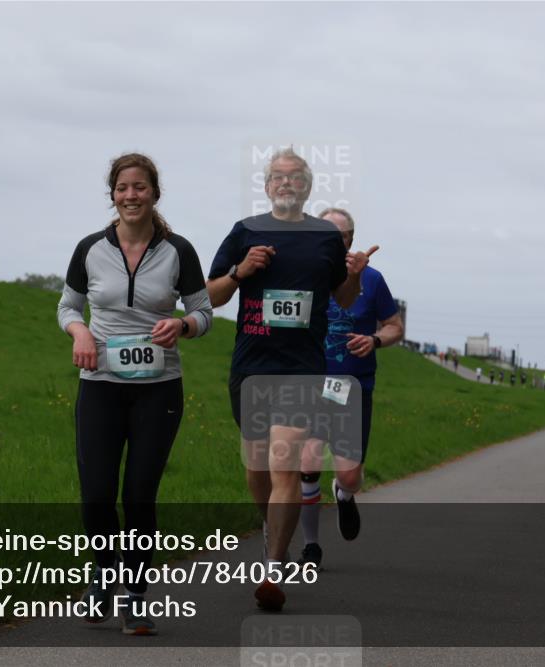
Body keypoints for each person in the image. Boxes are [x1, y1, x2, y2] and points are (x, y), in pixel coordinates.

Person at [206, 148, 374, 612]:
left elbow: (341, 296)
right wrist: (242, 271)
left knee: (284, 463)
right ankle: (271, 527)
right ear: (266, 187)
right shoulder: (246, 231)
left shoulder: (325, 238)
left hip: (302, 368)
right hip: (252, 365)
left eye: (294, 178)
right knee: (257, 468)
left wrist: (355, 277)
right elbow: (211, 295)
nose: (286, 184)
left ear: (307, 187)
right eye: (278, 178)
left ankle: (273, 570)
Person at [57, 153, 213, 635]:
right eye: (123, 187)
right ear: (113, 194)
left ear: (154, 193)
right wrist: (80, 333)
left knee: (140, 495)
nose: (131, 195)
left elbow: (204, 312)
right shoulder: (89, 248)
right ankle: (104, 576)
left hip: (158, 389)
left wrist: (183, 324)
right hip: (100, 386)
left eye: (140, 187)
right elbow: (68, 306)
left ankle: (136, 597)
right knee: (98, 495)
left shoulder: (178, 250)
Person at [295, 208, 404, 568]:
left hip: (352, 387)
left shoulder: (372, 280)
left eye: (340, 235)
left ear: (350, 240)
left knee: (350, 475)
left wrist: (374, 340)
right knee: (307, 462)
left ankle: (343, 494)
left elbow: (394, 326)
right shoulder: (306, 277)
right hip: (311, 384)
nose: (333, 241)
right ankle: (311, 547)